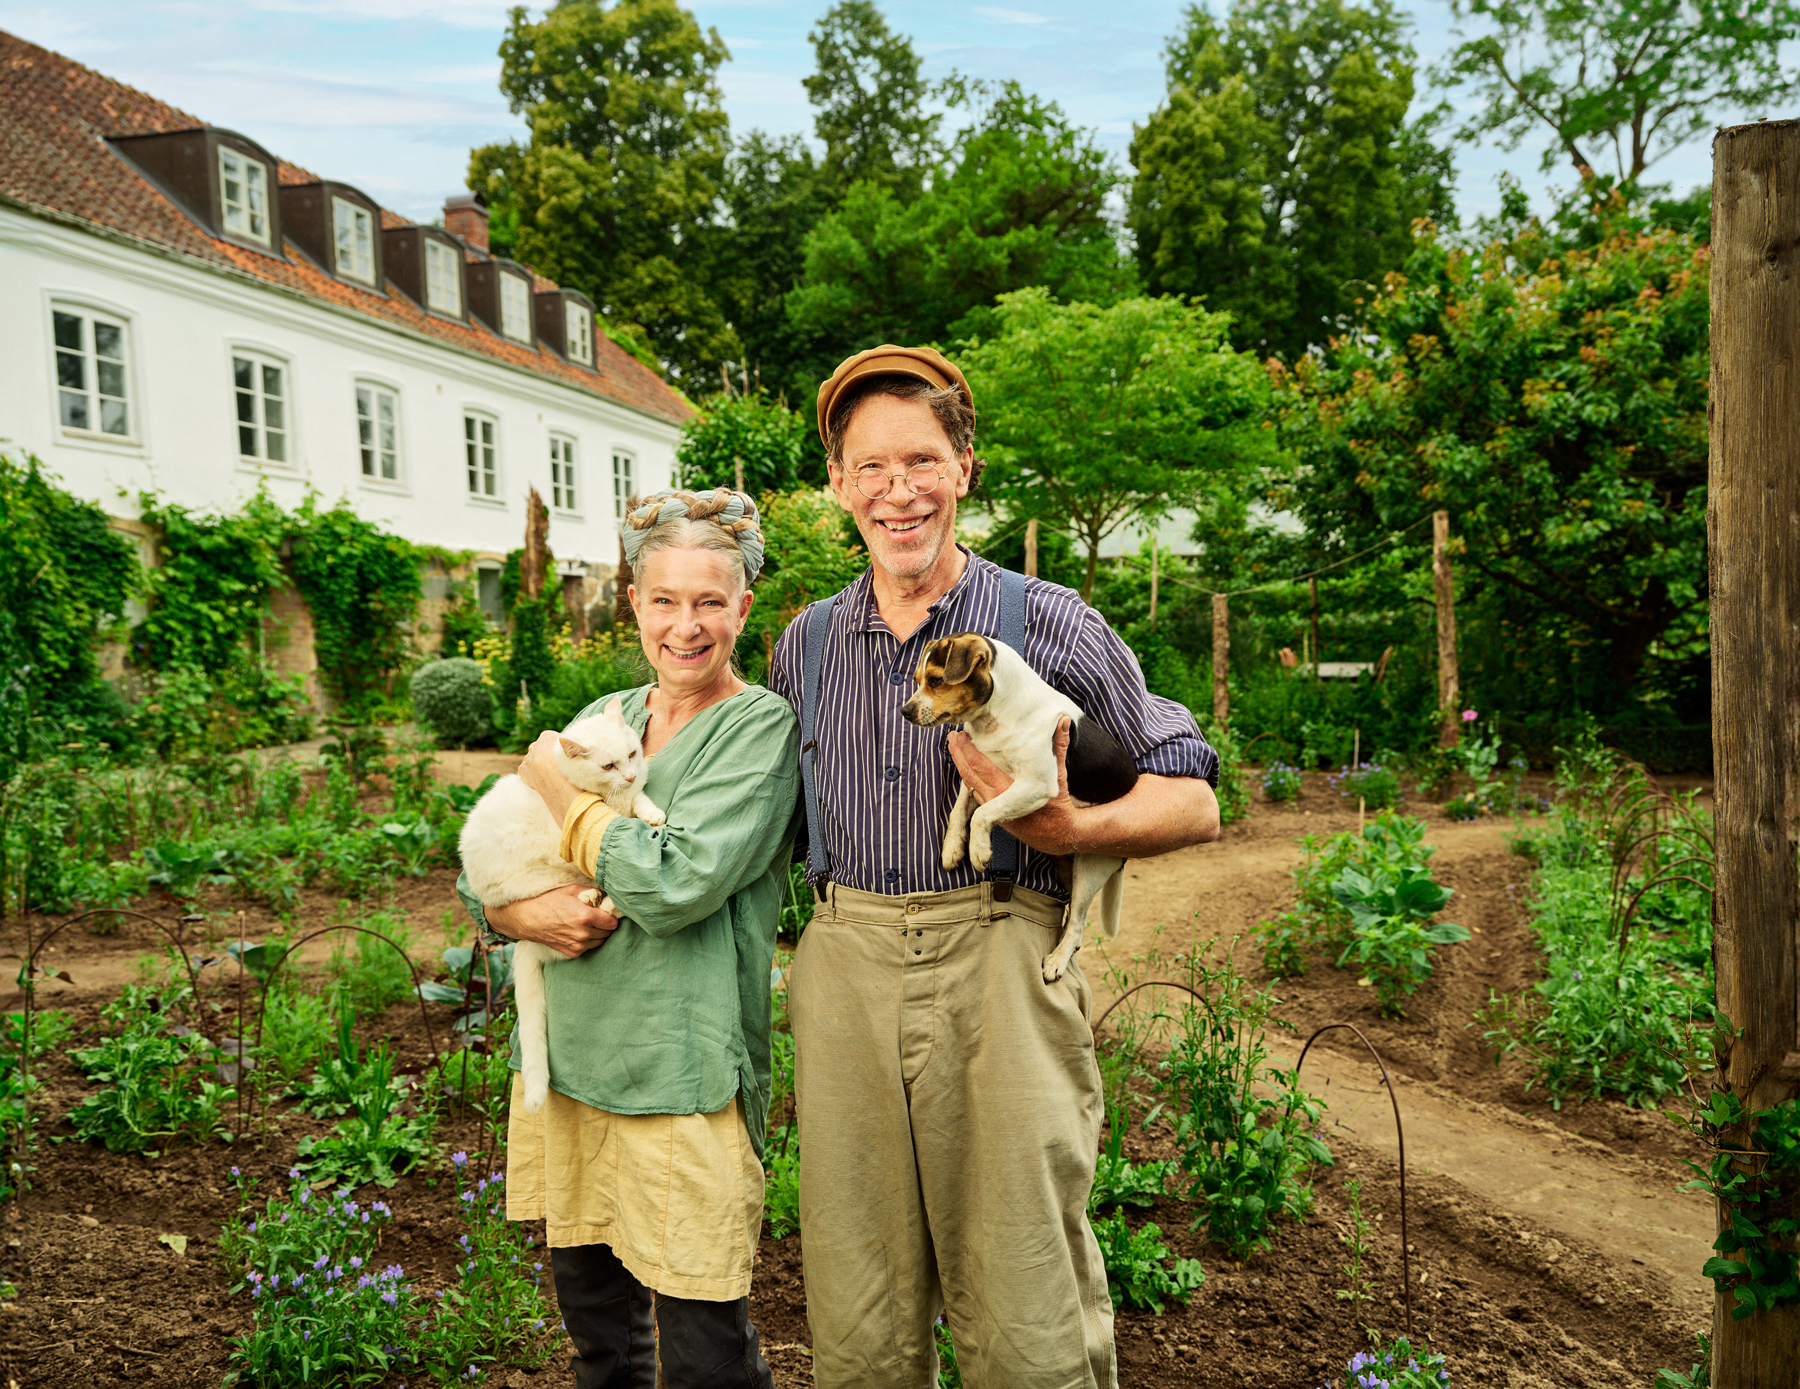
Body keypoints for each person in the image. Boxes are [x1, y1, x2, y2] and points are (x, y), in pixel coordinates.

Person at [768, 345, 1222, 1389]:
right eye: (871, 467)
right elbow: (760, 822)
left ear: (964, 469)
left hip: (1003, 954)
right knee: (857, 1300)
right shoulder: (808, 645)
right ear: (838, 484)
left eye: (921, 460)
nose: (898, 492)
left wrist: (1072, 829)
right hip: (845, 964)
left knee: (1027, 1300)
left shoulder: (1048, 622)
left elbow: (1192, 794)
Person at [455, 488, 797, 1389]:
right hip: (574, 1063)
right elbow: (486, 853)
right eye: (666, 600)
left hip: (680, 1074)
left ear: (743, 608)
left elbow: (677, 882)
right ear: (633, 603)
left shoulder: (759, 729)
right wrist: (515, 912)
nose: (687, 626)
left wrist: (563, 797)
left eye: (710, 601)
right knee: (602, 1339)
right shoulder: (608, 712)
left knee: (704, 1350)